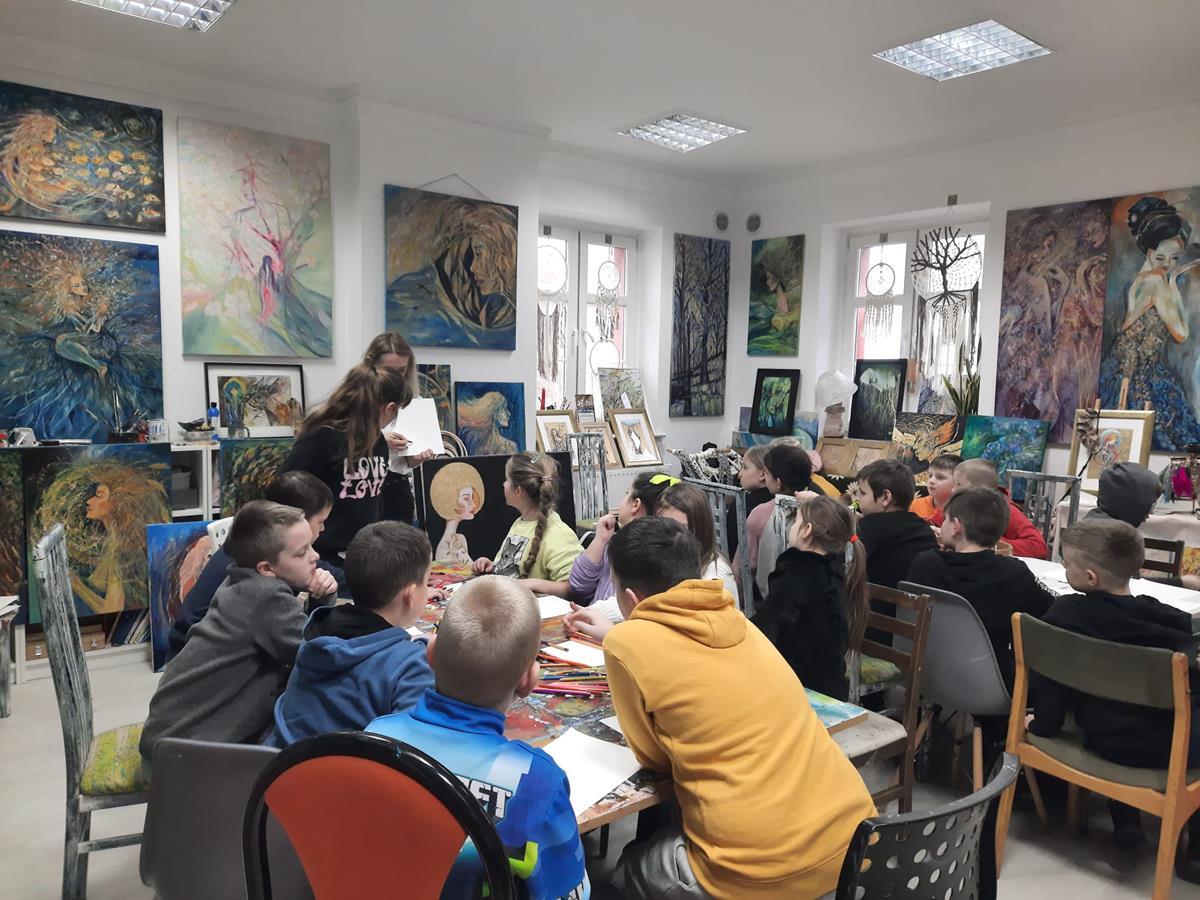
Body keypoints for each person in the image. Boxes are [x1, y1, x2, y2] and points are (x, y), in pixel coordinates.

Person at [602, 517, 875, 898]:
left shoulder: (627, 641)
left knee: (624, 872)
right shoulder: (742, 624)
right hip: (855, 842)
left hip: (756, 871)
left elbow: (654, 759)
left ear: (630, 598)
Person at [368, 577, 589, 900]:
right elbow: (568, 892)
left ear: (430, 654)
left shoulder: (376, 738)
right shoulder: (539, 782)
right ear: (529, 680)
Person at [1028, 519, 1200, 873]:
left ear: (1090, 578)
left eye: (1066, 563)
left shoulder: (1065, 614)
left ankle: (1126, 820)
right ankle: (1195, 854)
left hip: (1101, 738)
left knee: (1115, 705)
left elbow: (1049, 684)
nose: (1063, 568)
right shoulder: (1163, 620)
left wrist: (1041, 725)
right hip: (1172, 751)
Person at [139, 502, 317, 774]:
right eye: (302, 552)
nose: (315, 557)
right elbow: (317, 655)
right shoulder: (266, 597)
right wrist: (325, 602)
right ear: (266, 569)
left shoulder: (239, 579)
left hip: (168, 741)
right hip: (181, 762)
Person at [270, 521, 435, 746]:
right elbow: (413, 750)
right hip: (346, 767)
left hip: (281, 762)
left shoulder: (315, 631)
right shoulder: (412, 666)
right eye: (426, 581)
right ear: (410, 595)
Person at [166, 471, 337, 662]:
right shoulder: (262, 592)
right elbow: (312, 655)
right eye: (321, 521)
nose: (323, 529)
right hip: (197, 657)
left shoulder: (254, 555)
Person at [907, 487, 1054, 687]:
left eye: (945, 520)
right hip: (990, 683)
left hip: (926, 672)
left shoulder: (925, 564)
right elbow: (1047, 615)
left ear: (955, 526)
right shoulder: (1013, 574)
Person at [282, 361, 411, 571]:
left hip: (362, 553)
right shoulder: (322, 438)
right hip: (320, 556)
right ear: (389, 408)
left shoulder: (378, 440)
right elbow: (284, 494)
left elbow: (375, 502)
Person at [1098, 197, 1200, 448]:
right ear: (1149, 251)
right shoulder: (1155, 281)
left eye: (1174, 258)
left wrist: (1171, 282)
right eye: (1160, 257)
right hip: (1140, 376)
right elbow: (1181, 333)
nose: (1167, 265)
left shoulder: (1140, 279)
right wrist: (1173, 283)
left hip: (1124, 370)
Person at [752, 496, 866, 700]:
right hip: (831, 688)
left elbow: (766, 625)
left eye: (795, 521)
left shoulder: (797, 573)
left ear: (806, 530)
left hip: (800, 689)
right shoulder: (834, 569)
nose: (792, 527)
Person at [472, 452, 582, 595]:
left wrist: (533, 584)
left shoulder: (560, 535)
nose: (503, 484)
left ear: (518, 491)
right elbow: (513, 567)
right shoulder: (520, 523)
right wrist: (492, 566)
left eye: (507, 480)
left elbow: (575, 588)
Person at [566, 471, 672, 616]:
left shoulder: (648, 556)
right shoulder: (613, 542)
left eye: (627, 493)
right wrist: (600, 540)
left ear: (635, 504)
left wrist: (589, 614)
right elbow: (578, 587)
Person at [364, 332, 436, 525]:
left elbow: (408, 462)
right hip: (363, 485)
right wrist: (380, 440)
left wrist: (418, 458)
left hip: (397, 488)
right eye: (389, 370)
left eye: (402, 370)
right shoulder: (358, 400)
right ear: (371, 365)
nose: (396, 376)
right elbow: (341, 443)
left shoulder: (414, 403)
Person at [737, 439, 813, 600]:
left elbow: (745, 566)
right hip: (816, 605)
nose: (764, 477)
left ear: (778, 482)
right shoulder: (824, 511)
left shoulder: (761, 513)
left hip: (771, 602)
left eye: (767, 473)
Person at [855, 458, 938, 589]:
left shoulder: (870, 525)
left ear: (885, 497)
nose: (857, 499)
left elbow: (846, 562)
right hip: (917, 599)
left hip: (879, 599)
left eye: (862, 493)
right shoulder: (922, 526)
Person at [949, 459, 1049, 559]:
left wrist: (986, 541)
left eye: (958, 484)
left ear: (979, 489)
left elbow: (1038, 548)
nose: (952, 490)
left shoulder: (1005, 510)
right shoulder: (957, 505)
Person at [658, 481, 738, 599]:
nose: (670, 537)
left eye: (681, 528)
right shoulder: (674, 564)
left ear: (701, 527)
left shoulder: (713, 580)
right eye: (663, 527)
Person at [726, 446, 771, 559]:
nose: (739, 474)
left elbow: (731, 548)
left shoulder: (742, 504)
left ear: (763, 474)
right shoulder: (780, 503)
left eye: (745, 468)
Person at [908, 453, 962, 522]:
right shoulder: (915, 505)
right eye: (930, 476)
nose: (931, 481)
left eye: (940, 477)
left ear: (957, 482)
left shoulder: (964, 511)